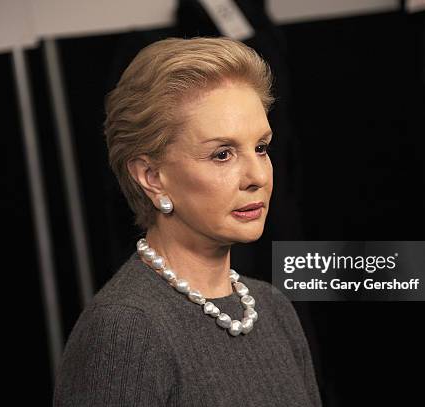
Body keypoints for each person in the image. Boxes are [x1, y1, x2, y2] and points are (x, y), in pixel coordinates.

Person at [52, 36, 322, 406]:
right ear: (151, 176)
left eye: (260, 147)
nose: (256, 176)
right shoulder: (125, 331)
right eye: (222, 154)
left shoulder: (273, 308)